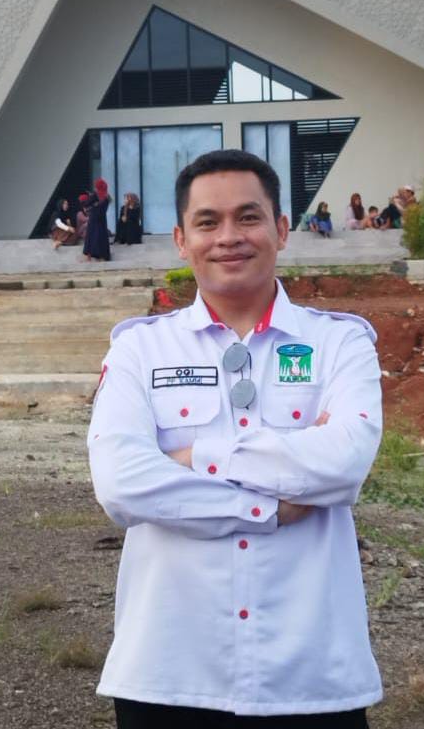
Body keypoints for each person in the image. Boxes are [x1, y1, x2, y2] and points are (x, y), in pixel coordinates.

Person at [88, 149, 384, 728]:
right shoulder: (140, 350)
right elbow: (122, 484)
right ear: (181, 240)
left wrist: (195, 456)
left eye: (248, 217)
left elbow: (345, 462)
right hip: (170, 676)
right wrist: (268, 506)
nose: (229, 237)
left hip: (311, 675)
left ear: (281, 229)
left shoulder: (339, 343)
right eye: (208, 222)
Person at [83, 178, 112, 262]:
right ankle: (102, 256)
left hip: (94, 218)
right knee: (102, 237)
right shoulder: (107, 197)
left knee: (91, 237)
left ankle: (89, 256)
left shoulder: (95, 195)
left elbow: (86, 204)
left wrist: (92, 202)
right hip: (102, 219)